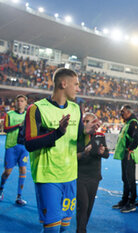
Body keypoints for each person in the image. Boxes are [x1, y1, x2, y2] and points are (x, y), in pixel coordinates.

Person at [24, 68, 100, 233]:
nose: (78, 88)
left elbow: (79, 141)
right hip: (48, 177)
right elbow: (29, 143)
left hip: (70, 176)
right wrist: (58, 132)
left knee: (64, 228)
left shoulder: (75, 109)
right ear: (63, 83)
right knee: (52, 229)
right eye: (76, 84)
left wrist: (87, 133)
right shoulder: (36, 109)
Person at [76, 112, 109, 233]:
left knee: (88, 207)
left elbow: (106, 154)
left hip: (94, 176)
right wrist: (83, 153)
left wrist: (102, 152)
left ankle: (82, 228)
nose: (85, 123)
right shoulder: (78, 136)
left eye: (87, 121)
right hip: (80, 176)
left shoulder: (100, 136)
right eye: (84, 121)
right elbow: (73, 156)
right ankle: (80, 230)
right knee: (83, 205)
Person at [0, 94, 28, 206]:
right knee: (7, 172)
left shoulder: (28, 116)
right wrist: (18, 125)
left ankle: (19, 196)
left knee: (23, 169)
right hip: (11, 146)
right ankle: (1, 189)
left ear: (26, 103)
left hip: (24, 147)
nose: (20, 103)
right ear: (15, 103)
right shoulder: (9, 114)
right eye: (18, 101)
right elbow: (6, 129)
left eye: (22, 101)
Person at [112, 105, 138, 213]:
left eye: (122, 112)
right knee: (125, 178)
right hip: (125, 155)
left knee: (130, 180)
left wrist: (130, 150)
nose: (121, 114)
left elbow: (137, 139)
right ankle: (125, 200)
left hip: (129, 156)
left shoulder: (133, 123)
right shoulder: (128, 123)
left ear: (129, 112)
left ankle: (131, 203)